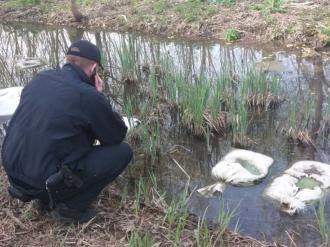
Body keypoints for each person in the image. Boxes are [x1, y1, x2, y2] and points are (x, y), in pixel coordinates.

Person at [1, 40, 133, 224]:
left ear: (68, 60)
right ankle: (70, 209)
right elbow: (116, 136)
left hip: (13, 173)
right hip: (42, 182)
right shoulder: (88, 95)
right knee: (123, 152)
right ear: (93, 68)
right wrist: (99, 95)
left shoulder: (40, 78)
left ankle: (41, 191)